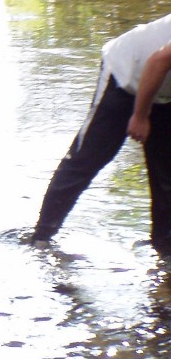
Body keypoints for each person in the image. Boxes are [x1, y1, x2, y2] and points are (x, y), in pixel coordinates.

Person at [32, 14, 171, 254]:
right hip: (126, 75)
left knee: (166, 173)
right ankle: (41, 238)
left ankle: (164, 247)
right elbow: (158, 61)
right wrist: (140, 116)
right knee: (88, 158)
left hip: (165, 92)